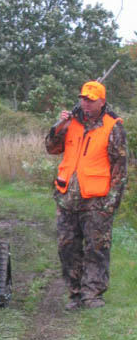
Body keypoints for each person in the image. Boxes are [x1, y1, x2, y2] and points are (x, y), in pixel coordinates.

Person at [45, 80, 127, 310]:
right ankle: (75, 293)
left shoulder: (113, 126)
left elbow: (120, 168)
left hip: (97, 201)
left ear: (102, 101)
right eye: (83, 98)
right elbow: (51, 148)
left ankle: (92, 295)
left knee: (96, 248)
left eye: (91, 100)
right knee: (66, 247)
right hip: (67, 198)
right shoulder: (71, 122)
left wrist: (111, 202)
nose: (86, 103)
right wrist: (59, 125)